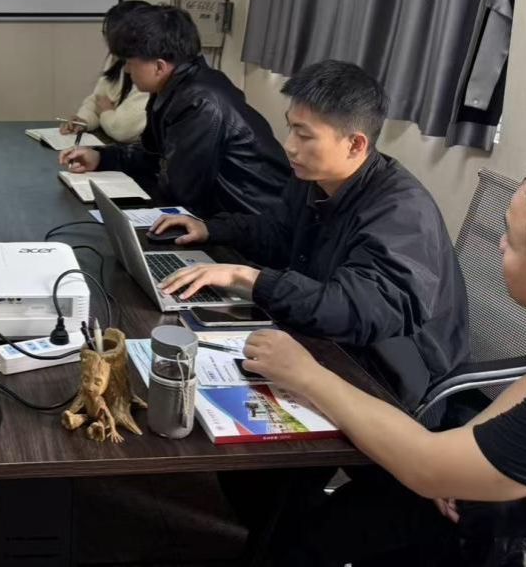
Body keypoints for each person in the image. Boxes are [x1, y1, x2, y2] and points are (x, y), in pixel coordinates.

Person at [242, 154, 526, 567]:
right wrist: (466, 449)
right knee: (331, 525)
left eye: (513, 242)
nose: (500, 244)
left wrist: (305, 374)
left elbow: (425, 465)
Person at [156, 60, 468, 408]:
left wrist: (247, 278)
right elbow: (279, 232)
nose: (289, 146)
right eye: (290, 129)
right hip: (329, 339)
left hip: (389, 373)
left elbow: (353, 310)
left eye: (304, 135)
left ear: (355, 144)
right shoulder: (316, 178)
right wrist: (211, 229)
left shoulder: (402, 212)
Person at [59, 3, 289, 218]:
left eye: (131, 63)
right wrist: (100, 158)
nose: (127, 70)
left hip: (249, 223)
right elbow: (152, 156)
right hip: (220, 216)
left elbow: (181, 191)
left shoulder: (200, 103)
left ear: (159, 67)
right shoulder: (172, 87)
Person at [59, 0, 152, 144]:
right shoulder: (116, 59)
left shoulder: (148, 68)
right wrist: (83, 121)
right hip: (116, 145)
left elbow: (123, 130)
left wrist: (106, 111)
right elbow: (98, 99)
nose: (108, 42)